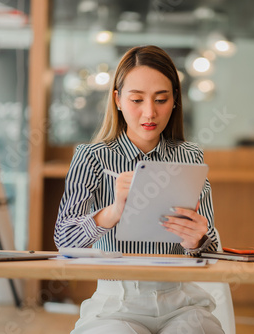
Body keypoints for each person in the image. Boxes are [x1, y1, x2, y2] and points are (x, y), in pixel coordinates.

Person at [54, 45, 224, 334]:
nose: (150, 112)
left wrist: (198, 240)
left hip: (180, 301)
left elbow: (213, 252)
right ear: (118, 100)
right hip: (116, 302)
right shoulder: (91, 157)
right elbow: (64, 239)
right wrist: (113, 212)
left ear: (175, 101)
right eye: (136, 99)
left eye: (161, 99)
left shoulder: (190, 157)